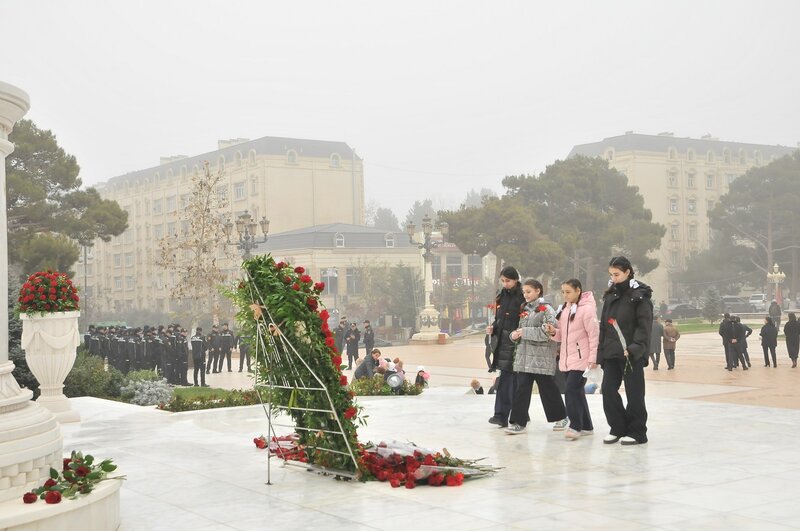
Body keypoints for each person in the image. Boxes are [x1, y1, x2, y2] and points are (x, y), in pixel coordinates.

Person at [597, 256, 653, 446]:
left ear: (628, 272)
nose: (614, 278)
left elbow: (644, 325)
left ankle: (637, 432)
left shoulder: (640, 295)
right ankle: (617, 427)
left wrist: (636, 347)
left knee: (634, 393)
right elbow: (604, 326)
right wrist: (601, 352)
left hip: (631, 353)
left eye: (617, 274)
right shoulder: (610, 295)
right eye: (611, 274)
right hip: (611, 352)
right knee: (607, 390)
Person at [506, 279, 567, 435]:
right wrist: (515, 335)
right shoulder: (525, 309)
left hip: (541, 358)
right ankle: (518, 422)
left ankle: (561, 417)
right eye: (524, 292)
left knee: (548, 389)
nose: (525, 295)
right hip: (524, 358)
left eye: (529, 291)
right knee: (521, 390)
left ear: (538, 291)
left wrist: (524, 332)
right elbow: (521, 330)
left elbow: (549, 333)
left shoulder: (547, 309)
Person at [546, 278, 598, 440]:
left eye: (568, 292)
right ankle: (587, 426)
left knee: (570, 391)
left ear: (578, 290)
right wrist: (553, 332)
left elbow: (594, 335)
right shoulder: (565, 309)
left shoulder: (587, 310)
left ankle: (575, 426)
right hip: (567, 359)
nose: (565, 295)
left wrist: (593, 358)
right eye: (563, 292)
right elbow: (563, 335)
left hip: (582, 360)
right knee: (577, 392)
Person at [486, 266, 526, 429]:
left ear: (515, 280)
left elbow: (524, 319)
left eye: (507, 281)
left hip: (517, 342)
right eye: (502, 281)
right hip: (502, 343)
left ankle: (503, 415)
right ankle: (509, 414)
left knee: (510, 380)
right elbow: (499, 319)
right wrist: (493, 328)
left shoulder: (523, 296)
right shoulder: (501, 296)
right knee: (509, 380)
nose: (505, 284)